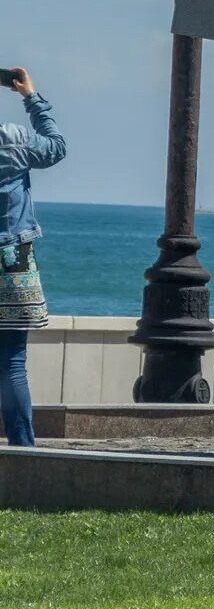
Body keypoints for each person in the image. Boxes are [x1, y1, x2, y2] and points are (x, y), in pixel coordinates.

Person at [0, 67, 65, 447]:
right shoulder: (13, 139)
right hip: (13, 260)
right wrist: (31, 98)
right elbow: (56, 147)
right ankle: (23, 452)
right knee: (11, 363)